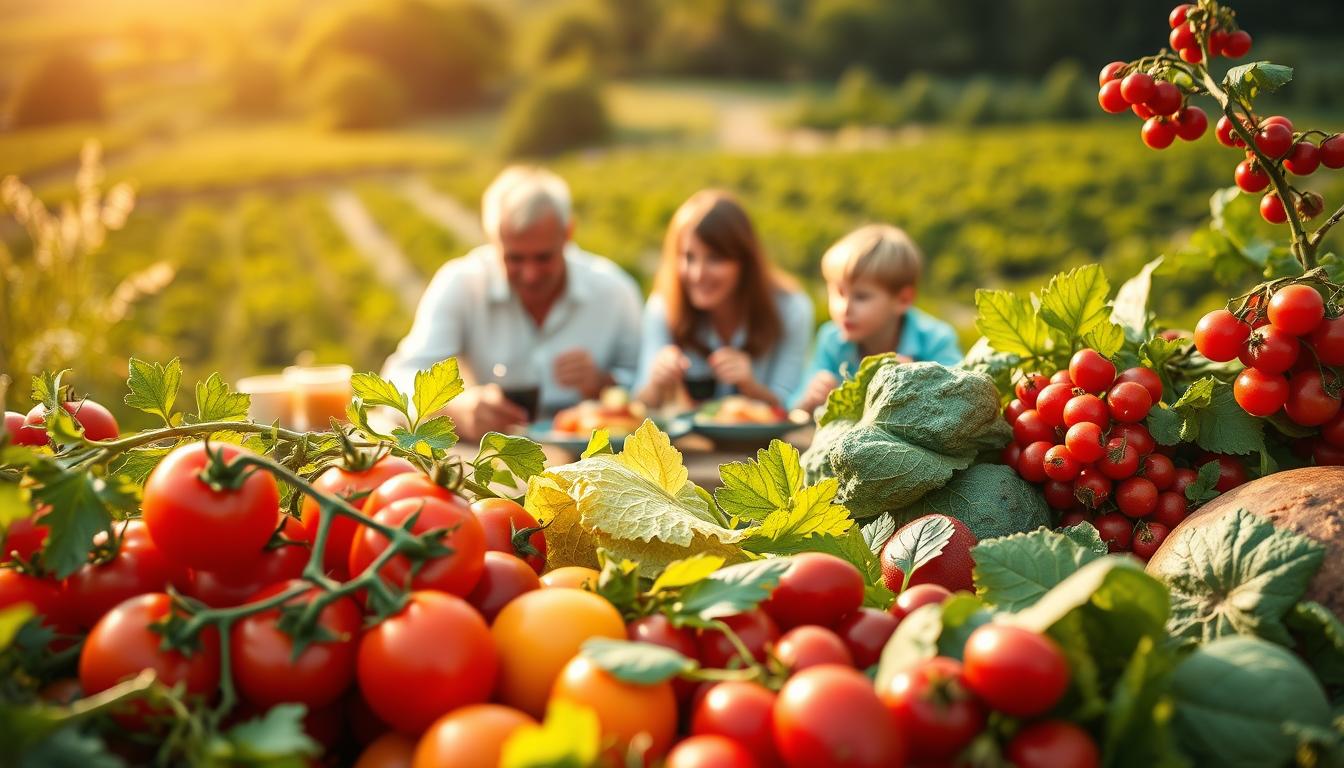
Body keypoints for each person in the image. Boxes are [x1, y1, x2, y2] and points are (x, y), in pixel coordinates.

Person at [381, 166, 643, 441]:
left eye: (543, 258)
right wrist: (457, 410)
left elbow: (648, 387)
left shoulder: (615, 291)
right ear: (493, 240)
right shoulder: (461, 283)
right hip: (498, 459)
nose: (530, 275)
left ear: (567, 233)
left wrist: (602, 384)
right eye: (514, 259)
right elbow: (399, 378)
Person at [634, 190, 813, 410]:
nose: (698, 274)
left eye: (715, 258)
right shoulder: (663, 306)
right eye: (689, 257)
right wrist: (656, 383)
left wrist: (751, 386)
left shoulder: (791, 309)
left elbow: (792, 408)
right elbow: (639, 404)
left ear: (744, 261)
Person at [795, 223, 963, 412]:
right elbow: (795, 403)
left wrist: (922, 381)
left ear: (903, 300)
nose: (845, 308)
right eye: (840, 293)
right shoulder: (832, 339)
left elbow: (961, 400)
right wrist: (810, 397)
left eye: (861, 297)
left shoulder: (936, 339)